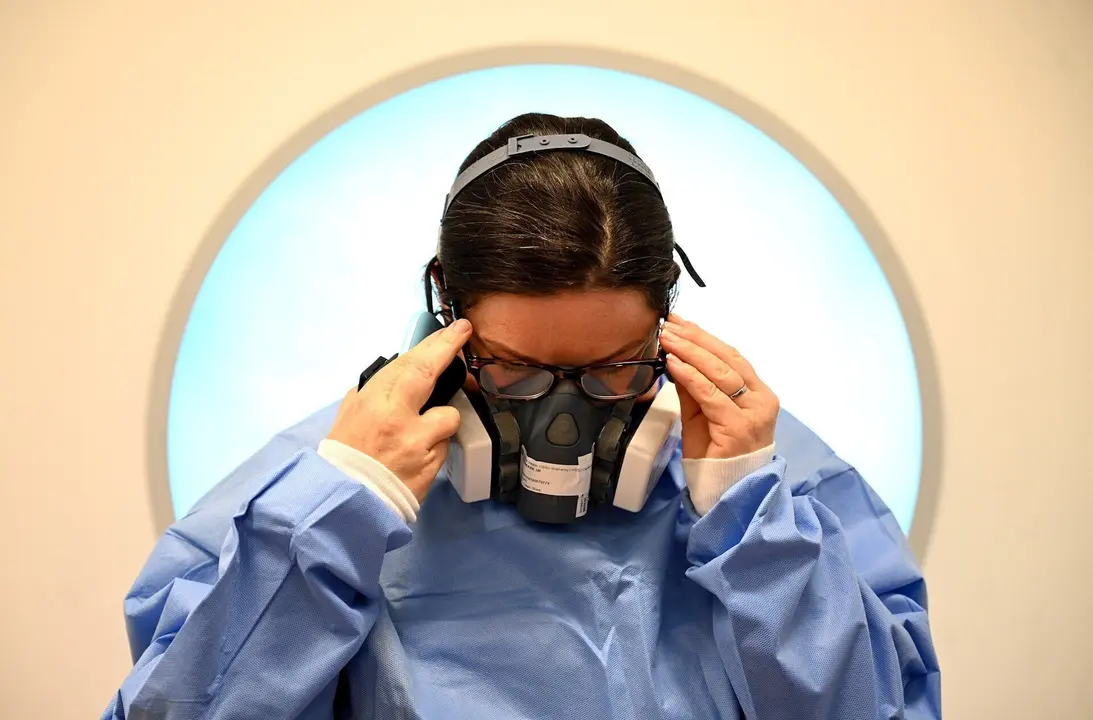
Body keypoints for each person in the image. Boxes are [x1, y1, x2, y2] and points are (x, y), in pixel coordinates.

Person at [103, 113, 941, 719]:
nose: (564, 423)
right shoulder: (331, 486)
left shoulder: (767, 483)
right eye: (514, 370)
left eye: (615, 369)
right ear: (447, 311)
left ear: (666, 323)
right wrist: (331, 520)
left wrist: (755, 531)